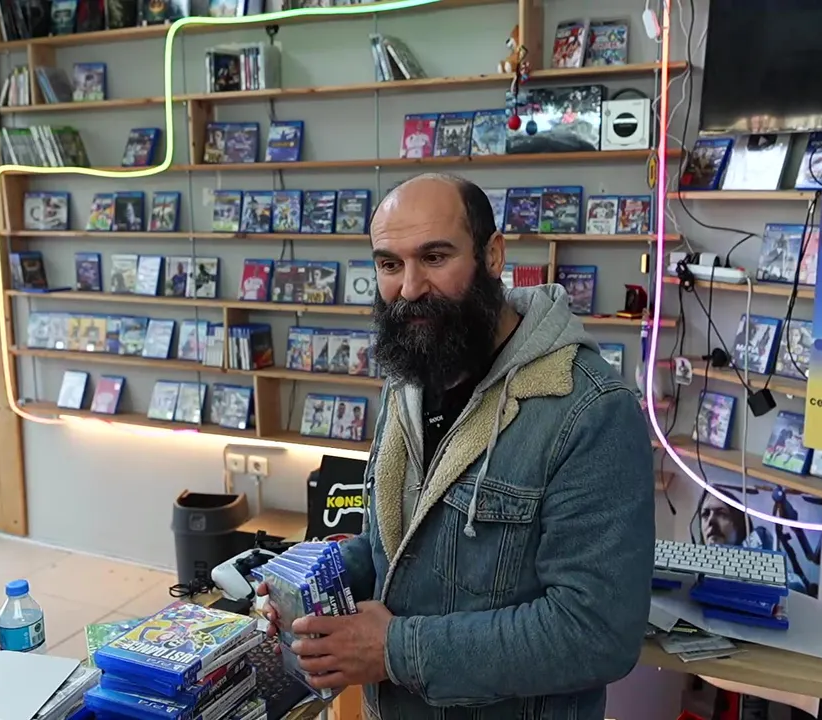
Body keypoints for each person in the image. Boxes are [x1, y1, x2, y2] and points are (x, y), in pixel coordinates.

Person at [261, 174, 655, 718]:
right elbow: (394, 544)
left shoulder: (592, 409)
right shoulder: (412, 374)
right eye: (389, 264)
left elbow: (596, 633)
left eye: (435, 257)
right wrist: (311, 586)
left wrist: (393, 650)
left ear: (492, 255)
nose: (410, 288)